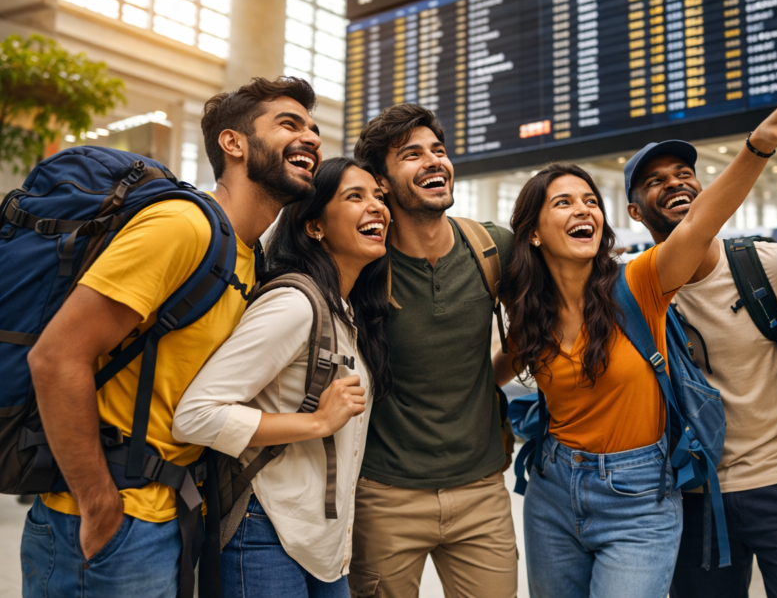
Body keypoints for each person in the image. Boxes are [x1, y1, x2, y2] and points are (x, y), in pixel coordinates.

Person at [498, 80, 777, 598]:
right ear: (534, 232)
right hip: (552, 488)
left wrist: (757, 146)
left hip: (641, 491)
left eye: (589, 200)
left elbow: (698, 224)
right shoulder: (532, 315)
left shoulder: (638, 282)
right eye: (563, 202)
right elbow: (483, 374)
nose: (583, 209)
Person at [22, 77, 322, 598]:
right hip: (113, 519)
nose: (313, 138)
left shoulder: (249, 256)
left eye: (314, 129)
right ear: (233, 143)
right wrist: (98, 502)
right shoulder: (183, 226)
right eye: (289, 124)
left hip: (169, 513)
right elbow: (55, 357)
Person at [624, 140, 777, 597]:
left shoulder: (770, 266)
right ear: (635, 213)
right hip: (694, 493)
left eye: (683, 172)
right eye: (654, 181)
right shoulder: (635, 291)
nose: (674, 183)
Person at [173, 157, 392, 598]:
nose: (378, 208)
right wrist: (317, 422)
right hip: (265, 532)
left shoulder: (347, 313)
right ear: (314, 227)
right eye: (355, 196)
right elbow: (195, 416)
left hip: (323, 544)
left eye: (379, 197)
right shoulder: (295, 304)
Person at [350, 103, 517, 598]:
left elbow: (540, 330)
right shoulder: (361, 264)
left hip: (482, 493)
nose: (433, 162)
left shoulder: (490, 248)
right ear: (381, 181)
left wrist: (486, 380)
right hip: (384, 496)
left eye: (438, 151)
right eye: (411, 155)